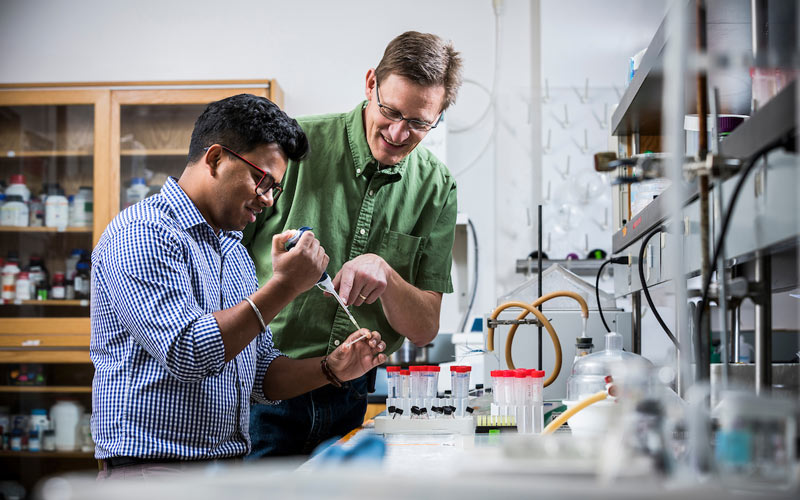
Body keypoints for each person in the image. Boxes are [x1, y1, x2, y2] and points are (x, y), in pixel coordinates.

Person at [90, 94, 386, 478]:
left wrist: (332, 368)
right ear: (215, 158)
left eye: (274, 187)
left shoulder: (233, 250)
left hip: (226, 470)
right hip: (155, 473)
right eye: (261, 180)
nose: (267, 199)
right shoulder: (142, 233)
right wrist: (285, 286)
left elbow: (262, 375)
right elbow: (188, 351)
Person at [243, 31, 463, 457]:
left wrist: (388, 276)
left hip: (350, 395)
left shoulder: (438, 188)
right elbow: (219, 260)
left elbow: (424, 328)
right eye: (391, 111)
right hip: (261, 389)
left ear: (438, 116)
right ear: (370, 84)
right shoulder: (292, 148)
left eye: (419, 122)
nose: (399, 132)